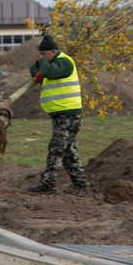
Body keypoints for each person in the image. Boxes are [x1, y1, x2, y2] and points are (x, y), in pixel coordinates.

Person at [26, 34, 89, 193]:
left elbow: (50, 72)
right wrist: (39, 64)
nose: (42, 57)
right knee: (68, 150)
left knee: (56, 149)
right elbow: (34, 72)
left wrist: (43, 64)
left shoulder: (65, 62)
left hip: (68, 114)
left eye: (44, 53)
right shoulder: (50, 63)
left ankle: (48, 183)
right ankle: (81, 184)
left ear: (54, 51)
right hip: (60, 114)